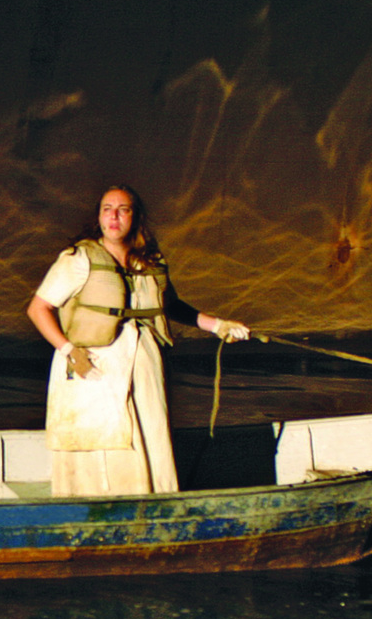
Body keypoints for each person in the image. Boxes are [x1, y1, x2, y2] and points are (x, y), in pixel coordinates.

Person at [25, 185, 249, 497]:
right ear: (99, 217)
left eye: (123, 209)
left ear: (136, 217)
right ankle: (92, 507)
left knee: (149, 436)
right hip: (94, 364)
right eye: (107, 208)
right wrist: (68, 350)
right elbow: (39, 309)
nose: (114, 216)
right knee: (101, 438)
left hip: (144, 361)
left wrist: (218, 325)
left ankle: (151, 503)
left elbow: (170, 306)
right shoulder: (77, 259)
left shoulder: (151, 262)